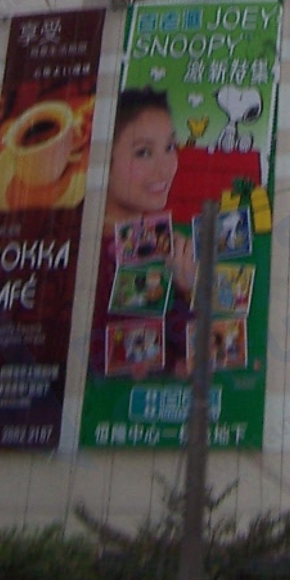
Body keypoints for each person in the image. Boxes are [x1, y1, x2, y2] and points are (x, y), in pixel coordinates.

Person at [90, 88, 195, 380]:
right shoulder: (85, 250)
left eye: (170, 147)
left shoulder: (164, 242)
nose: (165, 169)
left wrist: (189, 290)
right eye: (144, 152)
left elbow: (198, 357)